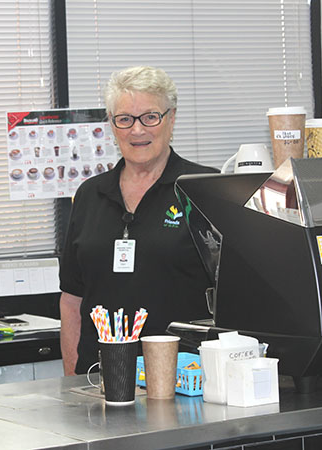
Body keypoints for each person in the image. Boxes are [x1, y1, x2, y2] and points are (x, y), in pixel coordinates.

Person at [59, 66, 218, 375]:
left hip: (184, 377)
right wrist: (72, 379)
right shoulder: (90, 195)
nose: (137, 130)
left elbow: (236, 295)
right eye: (125, 119)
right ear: (112, 125)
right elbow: (71, 299)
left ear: (171, 119)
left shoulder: (204, 189)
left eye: (150, 117)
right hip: (99, 379)